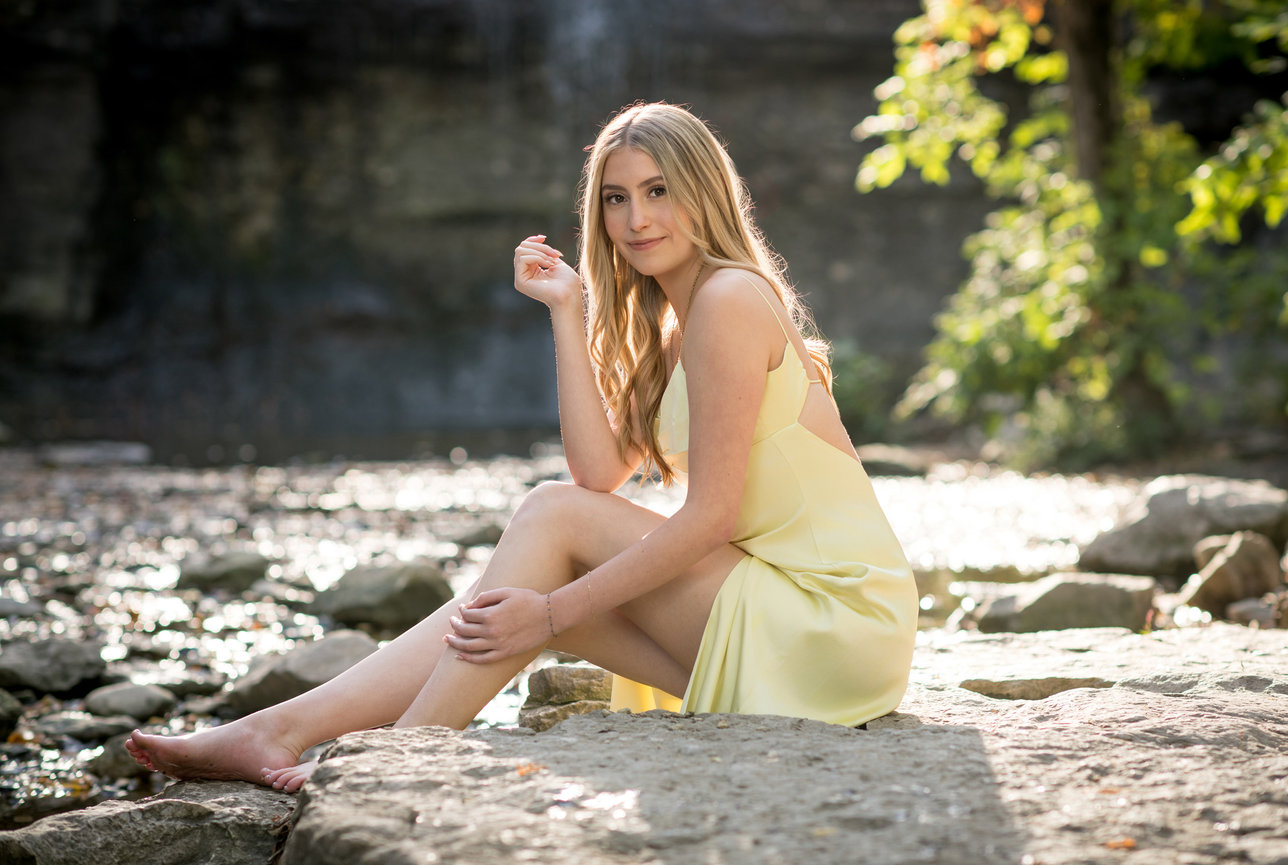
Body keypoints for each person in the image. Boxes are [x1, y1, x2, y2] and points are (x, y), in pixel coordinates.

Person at [125, 102, 918, 793]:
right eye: (616, 198)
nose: (636, 218)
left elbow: (707, 516)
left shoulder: (729, 300)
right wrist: (566, 310)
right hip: (797, 623)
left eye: (658, 191)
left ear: (703, 193)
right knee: (513, 601)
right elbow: (601, 472)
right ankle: (285, 729)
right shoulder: (680, 325)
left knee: (548, 532)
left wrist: (550, 609)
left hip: (834, 617)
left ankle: (397, 753)